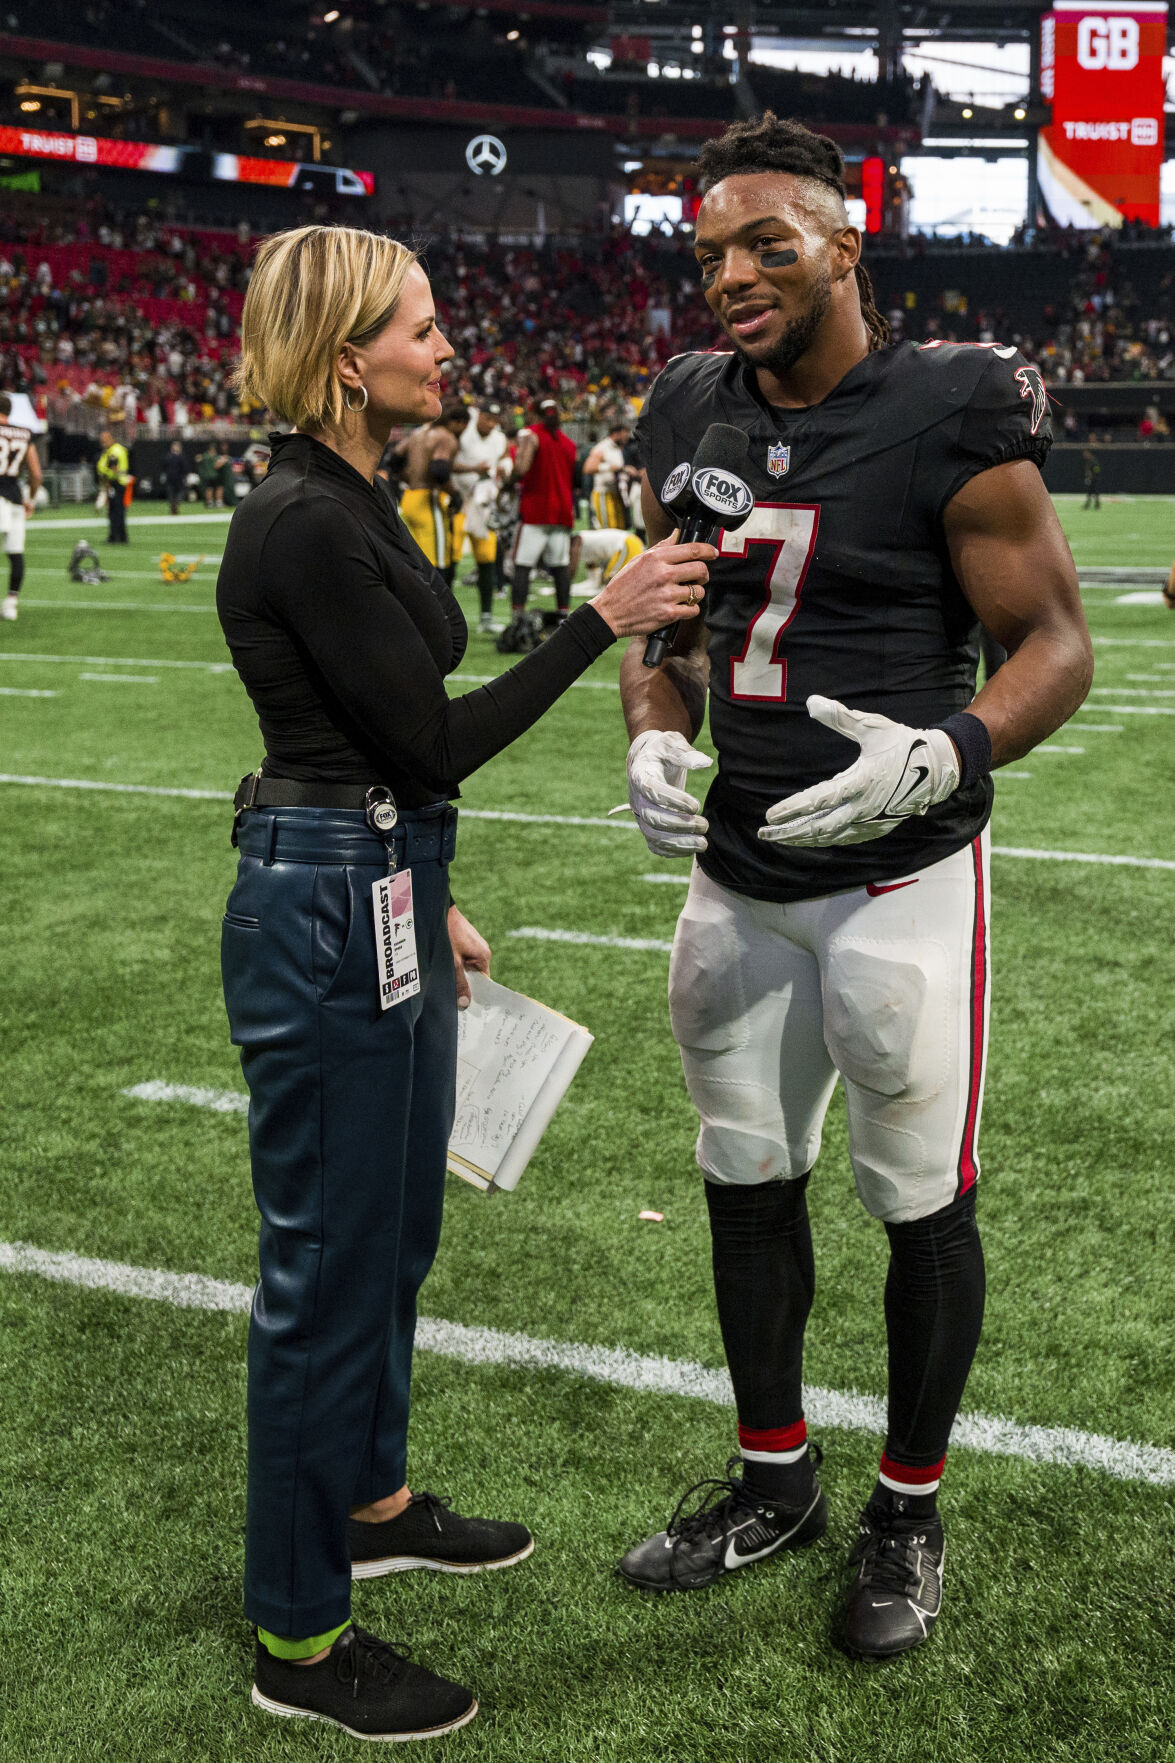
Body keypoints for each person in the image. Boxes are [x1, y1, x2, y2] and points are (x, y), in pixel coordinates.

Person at [216, 222, 713, 1742]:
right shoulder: (299, 516)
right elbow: (425, 740)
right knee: (322, 1272)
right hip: (323, 897)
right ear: (343, 352)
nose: (446, 350)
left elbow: (365, 741)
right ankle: (297, 1635)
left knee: (398, 1233)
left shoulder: (358, 491)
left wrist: (424, 893)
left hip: (375, 879)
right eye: (419, 329)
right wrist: (599, 619)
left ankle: (366, 1496)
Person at [615, 114, 1093, 1661]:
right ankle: (774, 1476)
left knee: (908, 1192)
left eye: (765, 243)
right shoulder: (686, 401)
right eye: (707, 255)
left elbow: (1053, 645)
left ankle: (904, 1501)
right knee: (741, 1166)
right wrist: (651, 732)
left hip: (896, 875)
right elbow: (664, 623)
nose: (731, 276)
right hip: (738, 867)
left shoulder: (951, 403)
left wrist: (946, 752)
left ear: (845, 242)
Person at [506, 397, 576, 620]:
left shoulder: (530, 434)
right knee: (559, 567)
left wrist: (506, 484)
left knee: (523, 565)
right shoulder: (568, 443)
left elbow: (521, 468)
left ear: (534, 414)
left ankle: (518, 617)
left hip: (536, 511)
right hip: (562, 512)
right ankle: (563, 615)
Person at [397, 398, 468, 584]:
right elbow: (439, 471)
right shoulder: (445, 436)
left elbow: (394, 459)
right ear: (457, 422)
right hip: (428, 500)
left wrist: (412, 478)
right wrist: (454, 494)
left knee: (417, 560)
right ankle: (438, 612)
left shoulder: (418, 433)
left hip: (409, 498)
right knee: (437, 561)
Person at [451, 401, 508, 632]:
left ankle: (486, 617)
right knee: (450, 559)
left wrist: (506, 466)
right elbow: (448, 461)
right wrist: (475, 470)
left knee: (487, 559)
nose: (491, 424)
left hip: (484, 505)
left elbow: (504, 458)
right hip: (460, 502)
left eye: (495, 420)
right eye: (488, 418)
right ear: (479, 417)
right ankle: (443, 617)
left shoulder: (499, 438)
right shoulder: (463, 433)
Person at [0, 391, 42, 621]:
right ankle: (11, 603)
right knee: (16, 554)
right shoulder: (25, 433)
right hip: (15, 497)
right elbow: (36, 474)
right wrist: (31, 499)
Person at [571, 525, 644, 598]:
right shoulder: (584, 545)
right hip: (627, 543)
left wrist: (564, 584)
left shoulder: (577, 541)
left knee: (611, 586)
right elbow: (593, 573)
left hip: (627, 544)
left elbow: (571, 570)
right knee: (607, 587)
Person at [583, 421, 632, 530]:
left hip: (616, 493)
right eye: (624, 435)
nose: (626, 438)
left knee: (620, 528)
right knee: (609, 529)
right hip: (603, 493)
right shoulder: (602, 448)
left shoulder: (619, 448)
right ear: (616, 434)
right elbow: (587, 468)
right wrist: (609, 467)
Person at [96, 426, 131, 543]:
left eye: (105, 440)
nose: (103, 443)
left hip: (115, 484)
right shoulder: (117, 449)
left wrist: (108, 485)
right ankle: (122, 537)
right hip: (119, 483)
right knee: (119, 511)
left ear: (111, 439)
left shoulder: (113, 452)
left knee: (114, 512)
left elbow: (113, 471)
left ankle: (115, 536)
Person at [161, 440, 187, 516]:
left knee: (179, 493)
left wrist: (184, 477)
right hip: (171, 477)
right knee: (171, 493)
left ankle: (175, 505)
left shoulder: (181, 457)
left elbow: (184, 468)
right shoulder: (169, 456)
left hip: (178, 478)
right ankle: (173, 506)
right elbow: (164, 467)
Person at [1082, 446, 1101, 510]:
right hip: (1091, 479)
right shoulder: (1088, 460)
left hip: (1094, 479)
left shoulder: (1093, 460)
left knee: (1095, 491)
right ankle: (1089, 504)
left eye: (1085, 453)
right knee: (1090, 492)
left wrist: (1093, 476)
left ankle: (1096, 504)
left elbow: (1097, 469)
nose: (1084, 455)